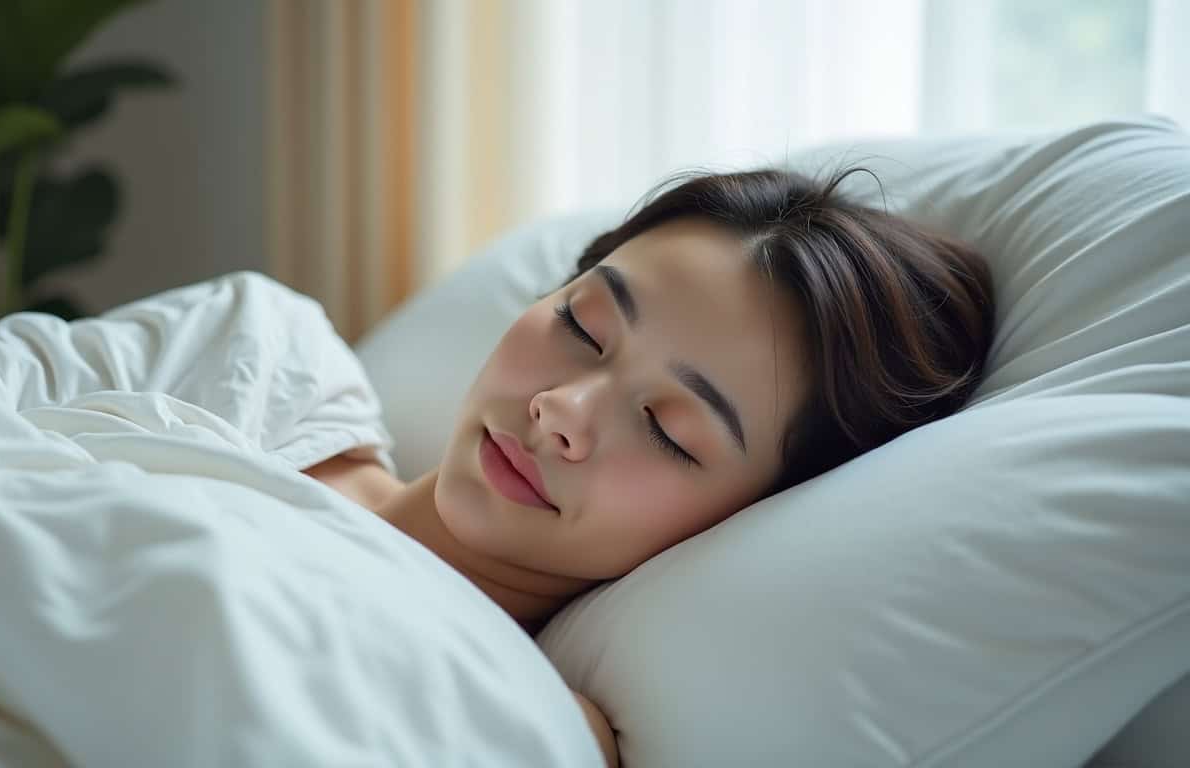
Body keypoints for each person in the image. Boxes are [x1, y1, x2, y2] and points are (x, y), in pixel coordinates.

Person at [305, 167, 996, 767]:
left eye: (668, 429)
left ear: (754, 515)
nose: (563, 411)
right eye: (583, 326)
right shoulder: (267, 356)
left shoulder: (505, 722)